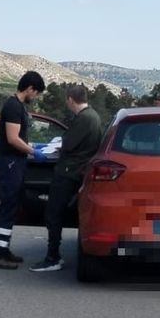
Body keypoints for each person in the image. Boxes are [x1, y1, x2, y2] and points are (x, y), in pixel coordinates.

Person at [32, 84, 102, 272]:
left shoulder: (83, 119)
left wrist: (54, 148)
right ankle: (53, 255)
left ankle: (53, 257)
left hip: (68, 173)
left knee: (53, 214)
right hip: (79, 171)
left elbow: (69, 144)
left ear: (70, 99)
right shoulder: (93, 117)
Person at [0, 71, 46, 269]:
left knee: (12, 208)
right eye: (36, 93)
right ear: (30, 88)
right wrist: (32, 151)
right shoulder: (13, 107)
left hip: (15, 162)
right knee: (7, 207)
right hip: (10, 162)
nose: (35, 97)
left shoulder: (17, 106)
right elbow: (12, 138)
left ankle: (3, 249)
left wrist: (31, 148)